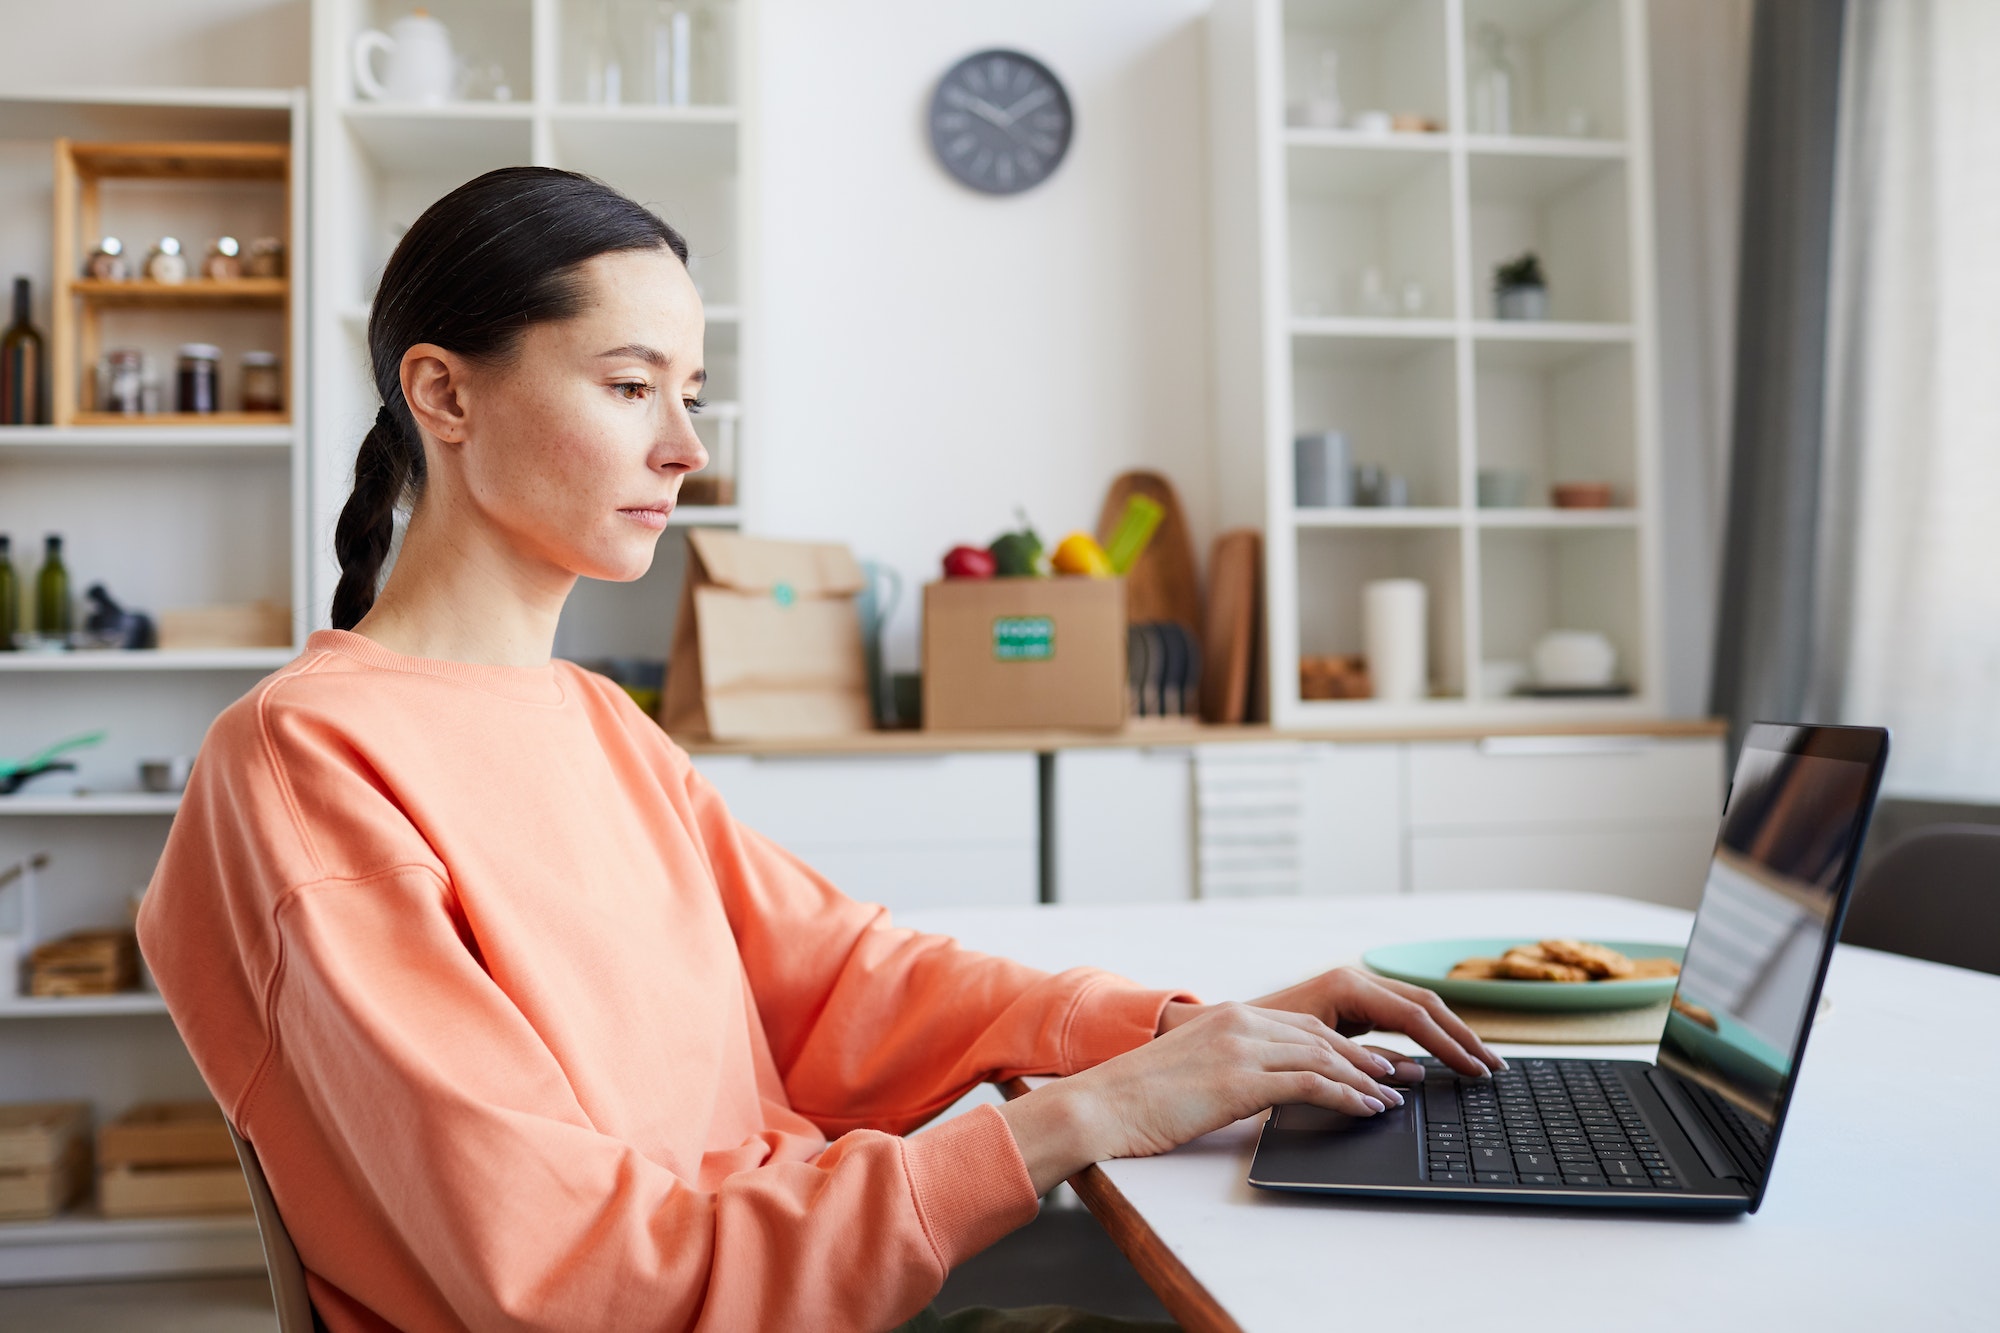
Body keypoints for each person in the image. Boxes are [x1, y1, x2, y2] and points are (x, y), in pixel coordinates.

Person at [137, 167, 1506, 1333]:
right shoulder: (306, 764)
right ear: (443, 392)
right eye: (630, 386)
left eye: (693, 394)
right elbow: (569, 1275)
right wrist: (1075, 1118)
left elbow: (847, 978)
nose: (686, 449)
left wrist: (1177, 1030)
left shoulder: (599, 719)